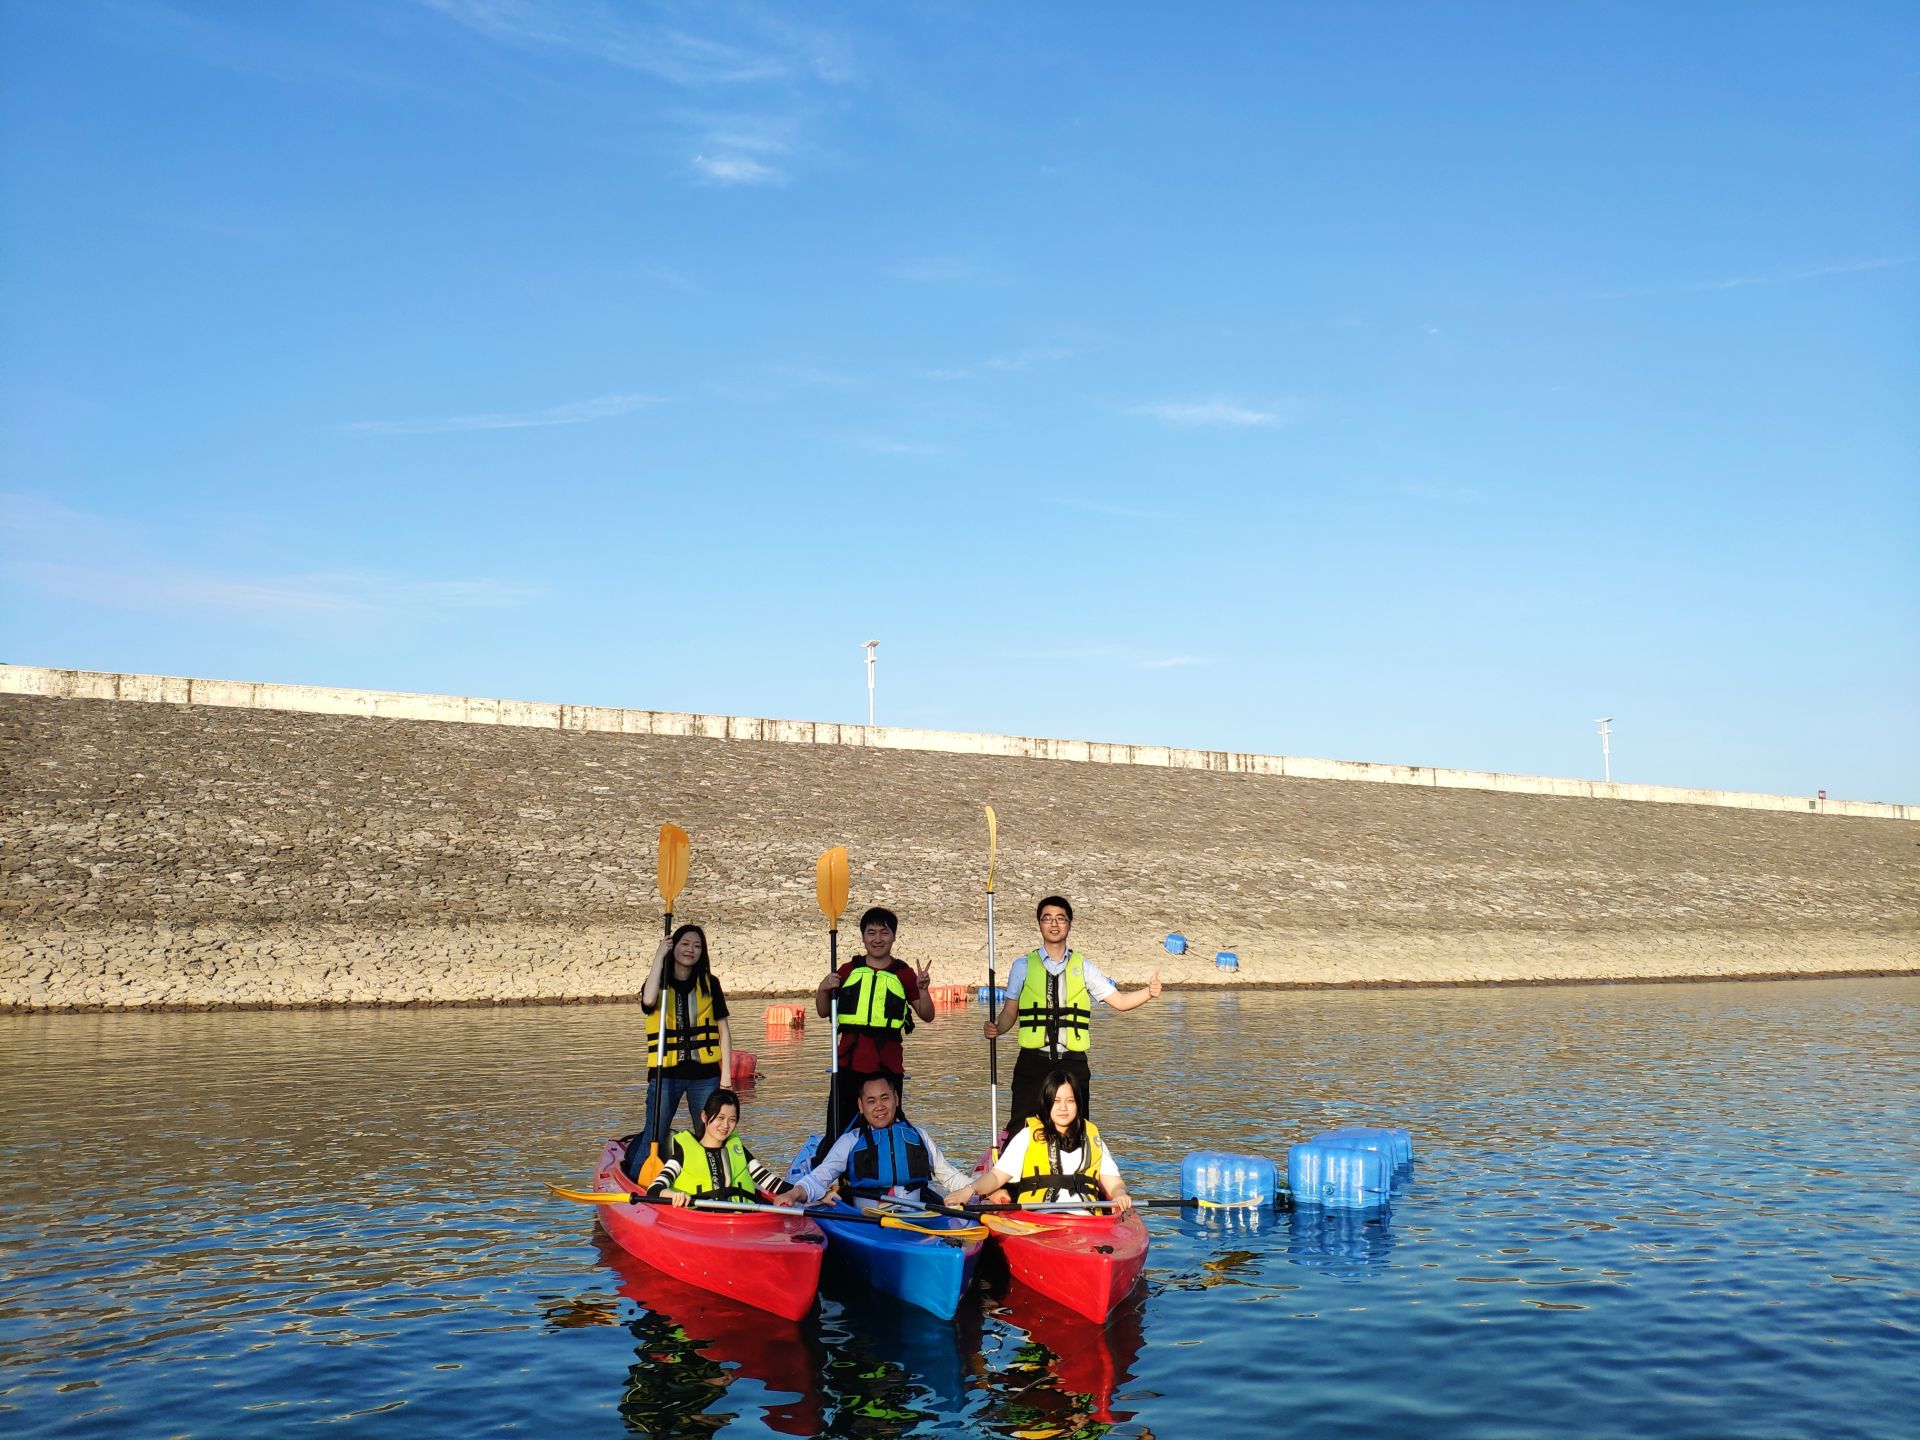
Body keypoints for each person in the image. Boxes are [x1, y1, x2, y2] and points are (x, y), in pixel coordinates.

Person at [983, 895, 1159, 1135]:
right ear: (1039, 924)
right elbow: (1009, 1014)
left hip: (1072, 1062)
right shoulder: (1022, 966)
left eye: (1060, 919)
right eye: (1047, 919)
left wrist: (1148, 992)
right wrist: (996, 1027)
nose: (1054, 924)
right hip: (1033, 1062)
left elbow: (1120, 1001)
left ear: (1069, 924)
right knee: (1020, 1128)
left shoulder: (1084, 967)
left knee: (1076, 1129)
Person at [813, 906, 935, 1145]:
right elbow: (823, 1011)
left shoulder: (904, 974)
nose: (877, 939)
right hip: (849, 1065)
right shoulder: (848, 970)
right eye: (871, 933)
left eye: (884, 932)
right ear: (863, 936)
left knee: (887, 1126)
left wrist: (922, 989)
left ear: (894, 936)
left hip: (886, 1067)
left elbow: (927, 1015)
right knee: (838, 1128)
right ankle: (837, 1174)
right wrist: (823, 988)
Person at [947, 1066, 1132, 1215]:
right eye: (1056, 1101)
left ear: (1078, 1104)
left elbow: (1114, 1183)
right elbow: (996, 1177)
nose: (1063, 1108)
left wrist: (1120, 1194)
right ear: (1047, 1103)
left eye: (1070, 1101)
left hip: (1086, 1224)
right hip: (1038, 1220)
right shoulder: (1028, 1137)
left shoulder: (1092, 1138)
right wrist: (969, 1190)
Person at [626, 923, 733, 1180]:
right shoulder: (658, 982)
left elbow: (724, 1032)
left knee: (712, 1132)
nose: (690, 950)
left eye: (697, 946)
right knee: (656, 1131)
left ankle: (717, 1183)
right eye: (685, 944)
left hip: (705, 1075)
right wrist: (658, 956)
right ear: (674, 947)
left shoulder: (710, 984)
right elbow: (649, 1001)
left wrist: (726, 1079)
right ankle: (635, 1183)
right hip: (666, 1075)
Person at [777, 1074, 973, 1209]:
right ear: (861, 1106)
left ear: (896, 1099)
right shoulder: (850, 1141)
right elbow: (818, 1178)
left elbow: (951, 1177)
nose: (879, 1106)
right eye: (871, 1101)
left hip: (916, 1215)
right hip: (867, 1220)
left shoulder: (919, 1136)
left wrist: (984, 1190)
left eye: (884, 1098)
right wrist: (793, 1194)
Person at [646, 1089, 798, 1206]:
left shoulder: (739, 1152)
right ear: (704, 1117)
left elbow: (772, 1183)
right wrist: (673, 1195)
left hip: (741, 1224)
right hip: (699, 1223)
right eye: (720, 1118)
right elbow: (654, 1188)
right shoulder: (683, 1153)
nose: (725, 1126)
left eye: (732, 1120)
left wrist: (803, 1192)